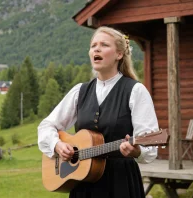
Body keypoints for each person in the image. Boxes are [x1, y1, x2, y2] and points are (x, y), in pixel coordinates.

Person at [37, 26, 159, 198]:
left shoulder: (135, 90)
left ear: (119, 54)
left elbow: (150, 145)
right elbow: (46, 126)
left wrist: (137, 151)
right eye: (93, 45)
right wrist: (57, 145)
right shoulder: (80, 91)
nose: (97, 49)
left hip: (120, 183)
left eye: (104, 45)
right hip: (83, 184)